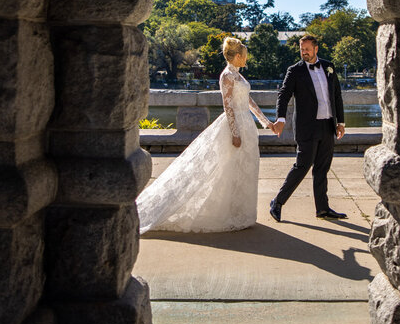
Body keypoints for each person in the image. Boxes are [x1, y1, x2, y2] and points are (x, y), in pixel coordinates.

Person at [136, 36, 274, 233]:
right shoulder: (227, 76)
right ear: (235, 56)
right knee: (227, 169)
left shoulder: (239, 75)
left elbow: (248, 101)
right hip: (235, 127)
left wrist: (266, 122)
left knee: (245, 168)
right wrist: (235, 133)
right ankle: (230, 214)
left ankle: (241, 212)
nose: (246, 59)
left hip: (248, 126)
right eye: (243, 56)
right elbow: (228, 107)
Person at [268, 34, 347, 221]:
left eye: (307, 49)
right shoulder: (294, 71)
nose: (304, 52)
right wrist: (280, 118)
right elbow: (283, 95)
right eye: (302, 49)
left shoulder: (329, 66)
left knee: (322, 168)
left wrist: (340, 122)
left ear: (316, 49)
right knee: (302, 166)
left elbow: (336, 95)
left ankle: (322, 208)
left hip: (327, 125)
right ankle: (277, 202)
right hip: (306, 127)